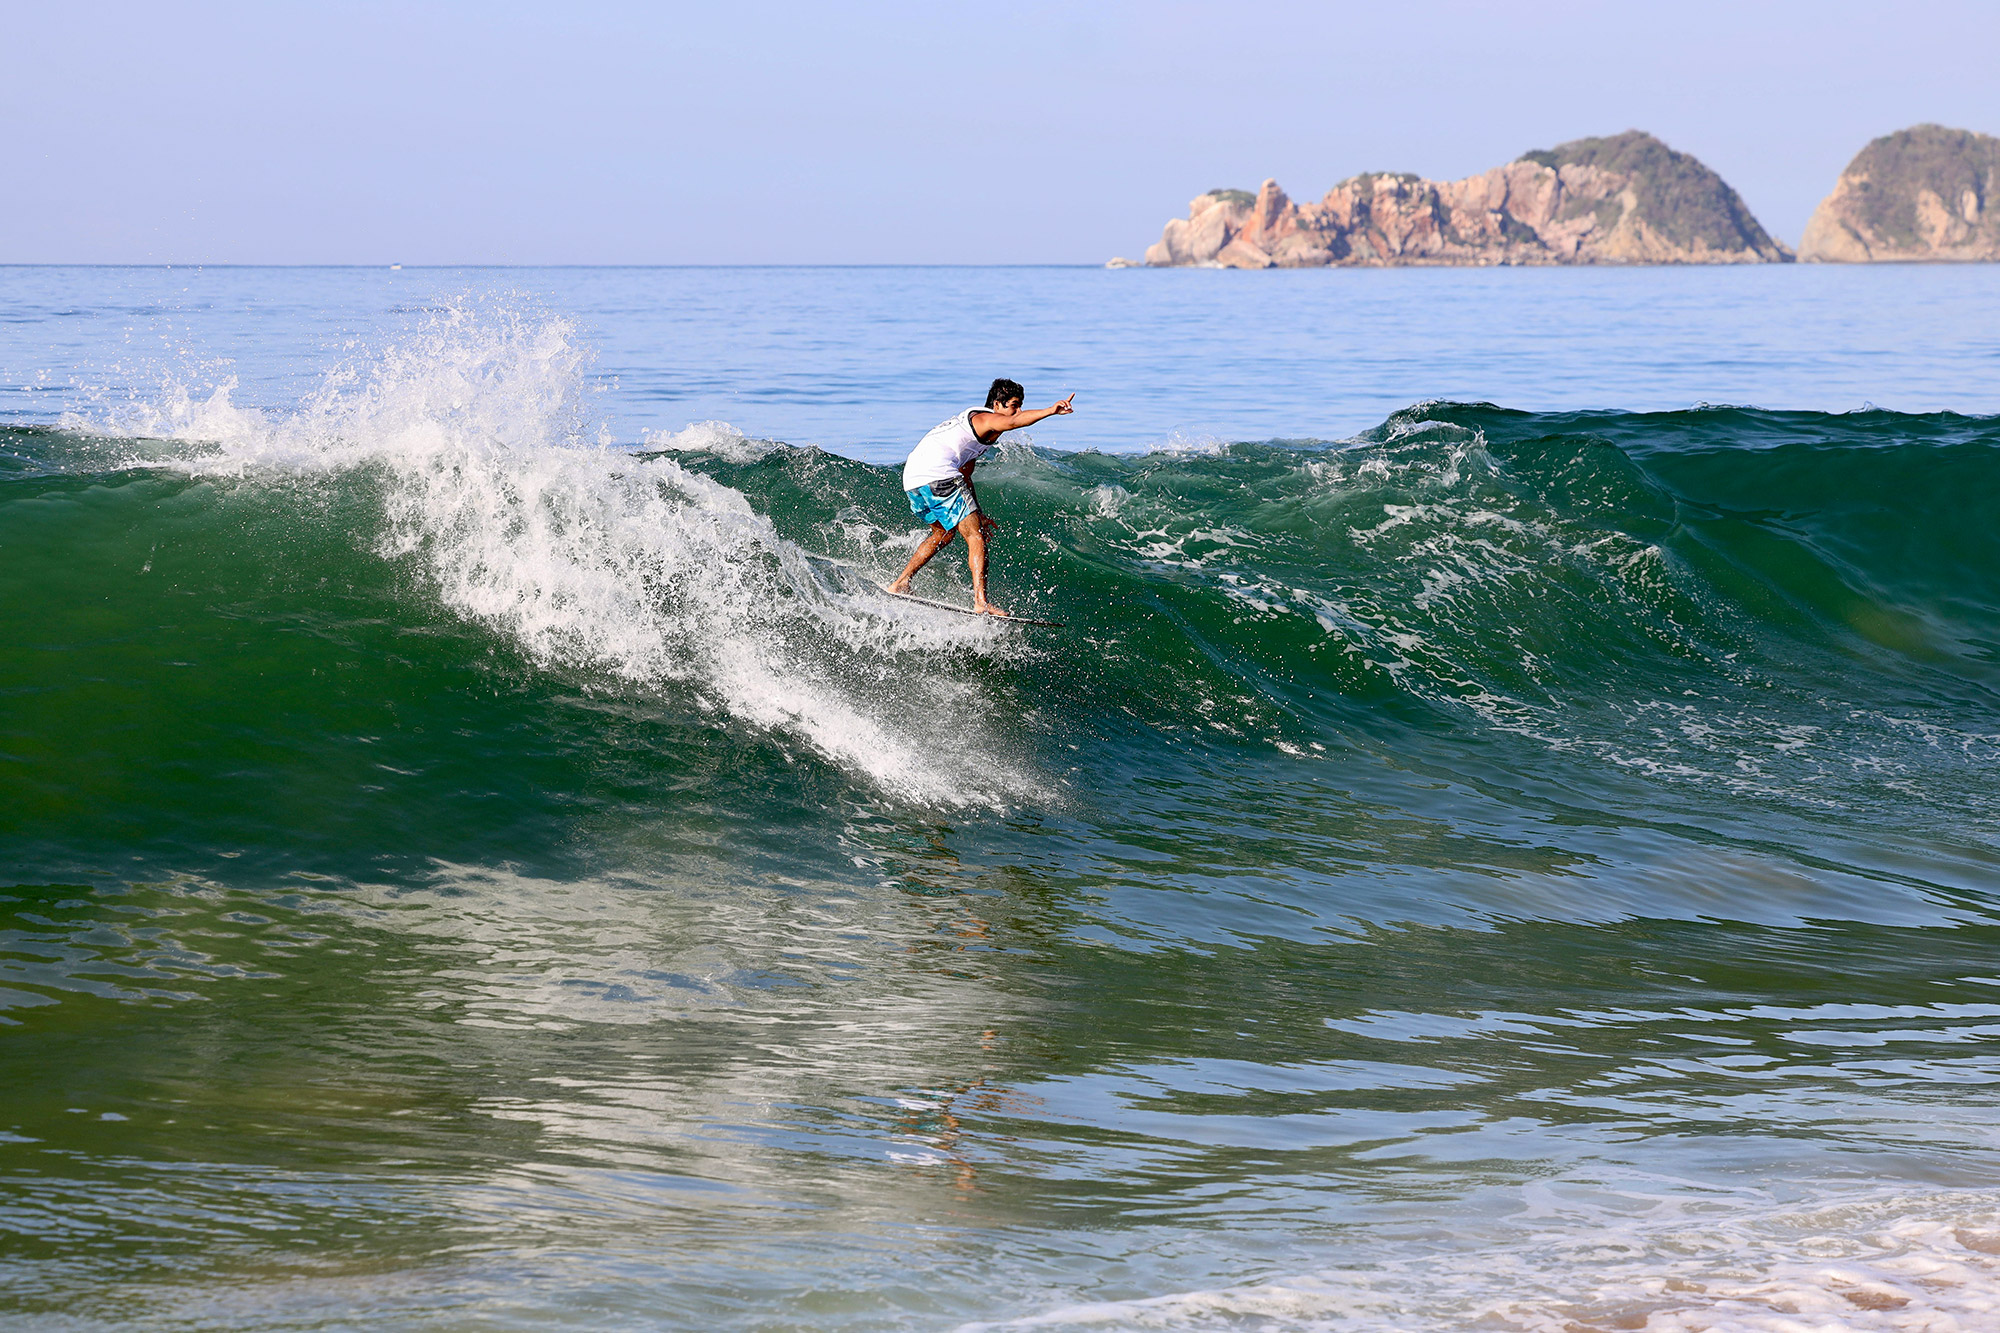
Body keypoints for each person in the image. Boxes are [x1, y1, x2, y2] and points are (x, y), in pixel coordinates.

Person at [887, 378, 1075, 617]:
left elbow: (965, 473)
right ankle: (981, 601)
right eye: (1013, 405)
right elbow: (1015, 422)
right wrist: (1051, 410)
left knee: (943, 533)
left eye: (1020, 406)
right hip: (938, 474)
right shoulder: (986, 419)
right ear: (997, 404)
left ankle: (901, 582)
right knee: (975, 537)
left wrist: (978, 512)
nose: (1017, 412)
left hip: (914, 478)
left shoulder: (977, 430)